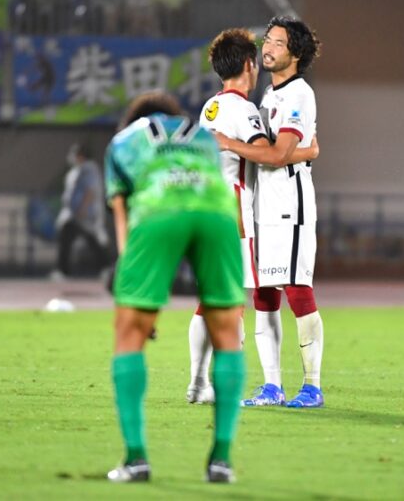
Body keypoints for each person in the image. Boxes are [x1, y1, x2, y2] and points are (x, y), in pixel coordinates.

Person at [104, 91, 245, 483]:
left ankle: (136, 460)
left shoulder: (123, 142)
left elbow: (124, 219)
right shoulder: (201, 135)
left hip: (158, 211)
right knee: (226, 332)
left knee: (129, 333)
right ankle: (221, 460)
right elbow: (220, 184)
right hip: (217, 214)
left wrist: (132, 294)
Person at [186, 27, 319, 404]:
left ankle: (203, 382)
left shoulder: (210, 106)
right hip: (236, 211)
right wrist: (307, 153)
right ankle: (245, 383)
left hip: (208, 207)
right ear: (248, 64)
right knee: (249, 297)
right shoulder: (244, 109)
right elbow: (271, 153)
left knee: (220, 296)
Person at [51, 142, 108, 280]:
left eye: (75, 154)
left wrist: (83, 208)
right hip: (73, 214)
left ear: (81, 155)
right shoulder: (77, 170)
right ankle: (63, 270)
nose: (72, 157)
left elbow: (90, 190)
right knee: (69, 239)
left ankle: (106, 268)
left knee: (94, 241)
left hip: (85, 215)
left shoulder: (88, 169)